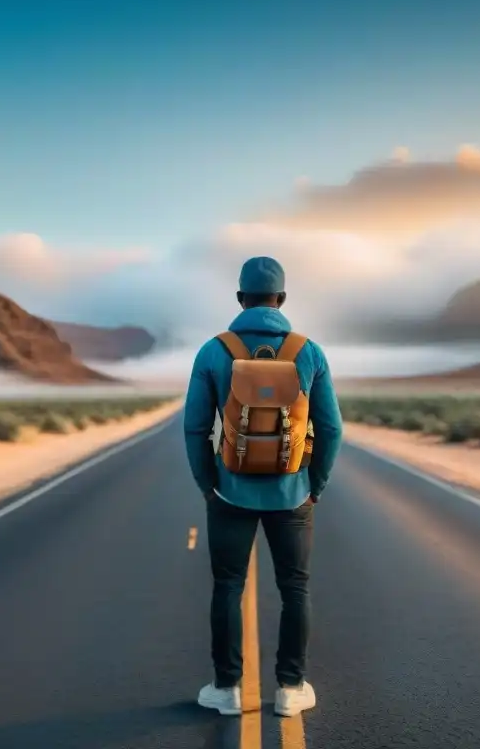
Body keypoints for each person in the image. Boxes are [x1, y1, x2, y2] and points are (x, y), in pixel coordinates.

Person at [183, 255, 343, 718]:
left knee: (227, 587)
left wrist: (206, 483)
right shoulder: (308, 351)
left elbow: (195, 428)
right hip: (292, 494)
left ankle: (226, 689)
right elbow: (330, 429)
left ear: (239, 299)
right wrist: (316, 484)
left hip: (230, 492)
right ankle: (291, 689)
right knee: (295, 588)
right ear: (283, 299)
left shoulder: (214, 351)